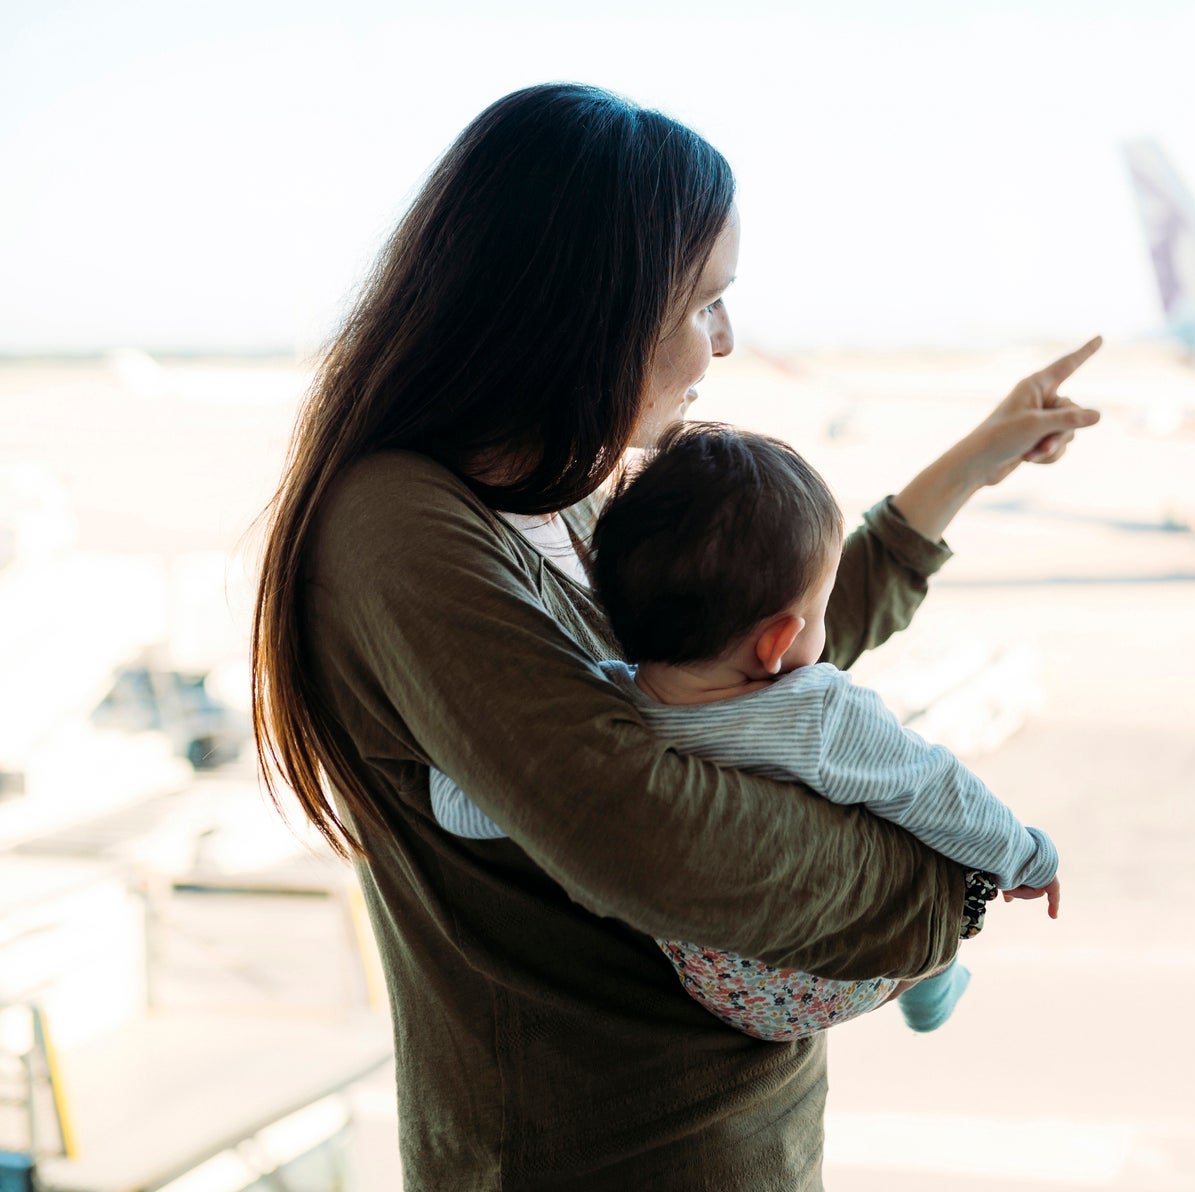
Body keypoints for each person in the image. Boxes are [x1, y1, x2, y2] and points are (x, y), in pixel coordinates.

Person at [249, 81, 1099, 1189]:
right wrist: (943, 892)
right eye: (706, 303)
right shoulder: (400, 530)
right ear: (587, 311)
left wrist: (969, 466)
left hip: (734, 1145)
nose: (728, 341)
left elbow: (764, 653)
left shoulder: (565, 499)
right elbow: (646, 831)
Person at [425, 422, 1062, 1041]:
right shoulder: (817, 713)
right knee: (913, 813)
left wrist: (443, 764)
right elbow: (938, 790)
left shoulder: (603, 707)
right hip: (841, 970)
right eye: (819, 608)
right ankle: (931, 981)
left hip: (725, 993)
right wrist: (1026, 856)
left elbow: (476, 800)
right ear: (779, 640)